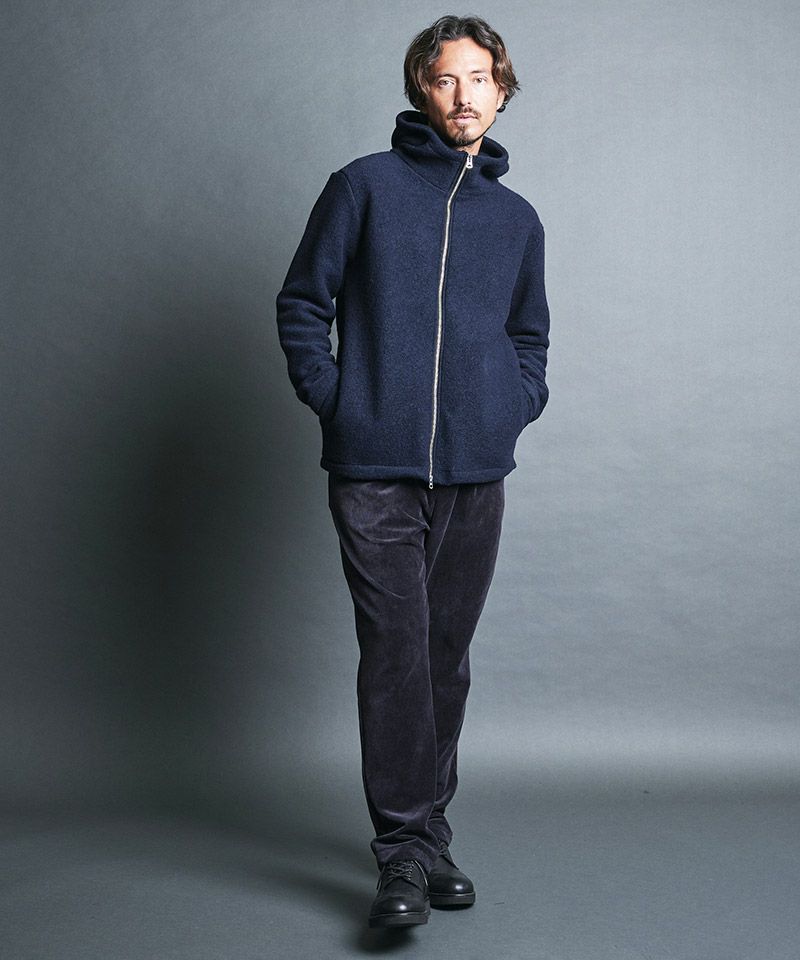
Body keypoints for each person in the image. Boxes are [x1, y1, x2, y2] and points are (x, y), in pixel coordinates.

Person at [275, 14, 550, 929]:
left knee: (443, 659)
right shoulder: (363, 187)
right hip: (373, 467)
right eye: (445, 79)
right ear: (420, 90)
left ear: (501, 91)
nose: (464, 95)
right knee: (396, 652)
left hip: (476, 470)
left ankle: (429, 836)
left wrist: (513, 403)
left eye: (480, 78)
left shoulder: (516, 220)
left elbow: (529, 337)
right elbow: (302, 302)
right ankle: (401, 853)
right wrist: (340, 400)